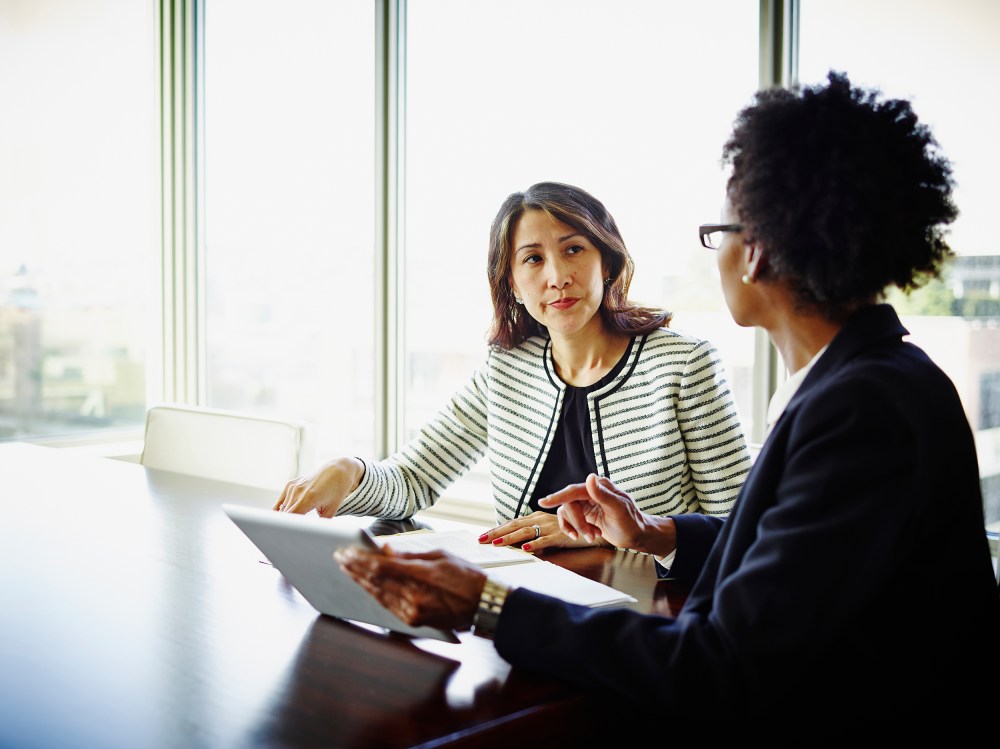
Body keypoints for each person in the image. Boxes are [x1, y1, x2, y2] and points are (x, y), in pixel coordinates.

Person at [334, 72, 1000, 736]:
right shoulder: (862, 383)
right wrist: (655, 532)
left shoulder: (861, 409)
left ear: (759, 250)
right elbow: (781, 555)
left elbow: (723, 667)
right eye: (532, 259)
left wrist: (487, 606)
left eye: (721, 231)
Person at [276, 181, 750, 550]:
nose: (557, 277)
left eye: (573, 249)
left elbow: (740, 529)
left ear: (607, 261)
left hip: (653, 618)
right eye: (532, 259)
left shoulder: (684, 366)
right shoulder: (507, 369)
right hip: (526, 611)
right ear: (512, 283)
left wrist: (600, 532)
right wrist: (348, 471)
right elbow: (413, 479)